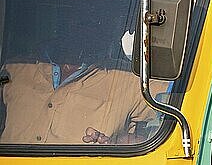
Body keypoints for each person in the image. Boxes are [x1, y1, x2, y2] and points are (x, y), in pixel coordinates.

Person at [0, 59, 166, 145]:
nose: (76, 23)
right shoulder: (15, 68)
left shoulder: (128, 79)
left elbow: (182, 107)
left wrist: (130, 143)